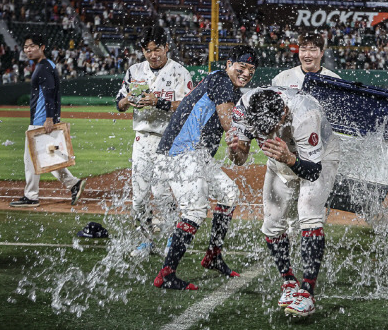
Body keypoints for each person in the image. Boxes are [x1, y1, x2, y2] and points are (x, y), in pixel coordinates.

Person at [226, 87, 341, 316]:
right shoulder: (245, 108)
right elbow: (240, 158)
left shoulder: (306, 114)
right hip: (281, 159)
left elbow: (312, 171)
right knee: (272, 224)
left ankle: (307, 293)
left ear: (284, 113)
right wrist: (234, 151)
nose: (265, 134)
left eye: (270, 129)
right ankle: (289, 282)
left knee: (308, 213)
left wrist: (290, 158)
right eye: (261, 130)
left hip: (318, 158)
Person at [153, 45, 259, 290]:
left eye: (251, 69)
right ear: (229, 64)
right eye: (241, 67)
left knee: (229, 195)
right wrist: (254, 131)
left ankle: (213, 255)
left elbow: (237, 156)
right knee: (195, 210)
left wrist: (241, 145)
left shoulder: (230, 87)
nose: (246, 73)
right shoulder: (221, 80)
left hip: (196, 155)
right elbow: (228, 123)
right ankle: (166, 275)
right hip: (179, 152)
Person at [115, 26, 193, 257]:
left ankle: (171, 237)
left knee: (161, 194)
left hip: (166, 141)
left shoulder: (180, 72)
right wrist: (127, 100)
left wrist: (158, 102)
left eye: (157, 49)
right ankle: (145, 240)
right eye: (148, 50)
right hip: (141, 140)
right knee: (138, 198)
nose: (153, 55)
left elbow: (188, 106)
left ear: (166, 47)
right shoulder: (134, 71)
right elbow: (118, 104)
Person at [10, 34, 86, 208]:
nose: (28, 50)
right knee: (49, 157)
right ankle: (74, 184)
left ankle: (31, 197)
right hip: (43, 119)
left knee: (30, 159)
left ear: (42, 47)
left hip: (40, 120)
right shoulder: (47, 65)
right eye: (26, 47)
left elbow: (50, 94)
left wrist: (49, 118)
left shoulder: (43, 68)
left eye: (31, 46)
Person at [271, 32, 340, 89]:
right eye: (303, 50)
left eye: (313, 50)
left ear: (321, 53)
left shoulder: (334, 80)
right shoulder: (283, 78)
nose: (307, 55)